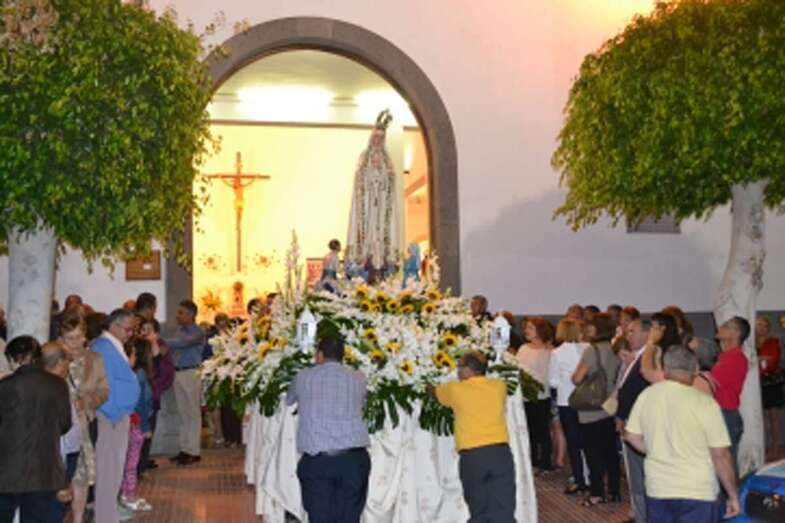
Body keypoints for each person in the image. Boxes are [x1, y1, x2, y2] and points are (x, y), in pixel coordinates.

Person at [624, 345, 740, 521]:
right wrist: (733, 495)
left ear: (664, 369)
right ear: (695, 369)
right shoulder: (705, 403)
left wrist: (656, 450)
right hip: (698, 490)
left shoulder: (647, 395)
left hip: (659, 488)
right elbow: (721, 455)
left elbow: (631, 436)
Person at [287, 337, 370, 523]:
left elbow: (289, 399)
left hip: (318, 461)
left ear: (320, 355)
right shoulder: (359, 377)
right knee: (350, 517)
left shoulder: (303, 376)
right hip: (353, 459)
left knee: (319, 517)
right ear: (343, 356)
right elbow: (362, 402)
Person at [433, 351, 516, 522]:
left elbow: (435, 393)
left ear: (469, 369)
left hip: (473, 456)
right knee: (504, 507)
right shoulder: (499, 385)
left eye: (459, 367)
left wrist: (428, 387)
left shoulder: (455, 389)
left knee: (478, 508)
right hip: (500, 453)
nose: (457, 371)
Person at [0, 336, 72, 523]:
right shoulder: (58, 384)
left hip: (6, 470)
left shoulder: (5, 386)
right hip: (44, 470)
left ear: (13, 359)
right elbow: (65, 424)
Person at [58, 314, 109, 523]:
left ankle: (78, 519)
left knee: (81, 476)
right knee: (60, 478)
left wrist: (88, 401)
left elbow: (104, 390)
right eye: (70, 338)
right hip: (59, 426)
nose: (75, 343)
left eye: (79, 337)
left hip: (84, 424)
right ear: (61, 339)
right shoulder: (55, 358)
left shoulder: (94, 359)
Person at [92, 309, 141, 523]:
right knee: (108, 470)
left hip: (119, 414)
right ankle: (104, 517)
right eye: (128, 329)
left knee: (114, 469)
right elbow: (105, 384)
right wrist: (113, 414)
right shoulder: (103, 347)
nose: (130, 333)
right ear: (115, 325)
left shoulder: (112, 344)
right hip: (112, 416)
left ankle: (108, 514)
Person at [572, 313, 621, 507]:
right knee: (610, 451)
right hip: (610, 405)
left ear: (598, 329)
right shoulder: (615, 348)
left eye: (590, 327)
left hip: (591, 408)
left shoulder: (591, 351)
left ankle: (597, 492)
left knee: (593, 453)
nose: (587, 330)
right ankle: (615, 491)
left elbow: (577, 378)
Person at [616, 318, 652, 523]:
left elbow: (636, 392)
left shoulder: (647, 358)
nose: (627, 336)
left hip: (640, 424)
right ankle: (640, 514)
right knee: (635, 475)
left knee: (641, 474)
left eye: (632, 331)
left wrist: (624, 415)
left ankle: (644, 516)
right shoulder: (636, 357)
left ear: (647, 334)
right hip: (630, 421)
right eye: (627, 332)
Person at [549, 318, 588, 494]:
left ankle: (579, 478)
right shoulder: (587, 348)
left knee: (573, 442)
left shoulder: (557, 353)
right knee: (588, 441)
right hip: (587, 400)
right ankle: (590, 476)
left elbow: (553, 381)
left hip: (567, 401)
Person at [166, 300, 205, 466]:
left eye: (181, 313)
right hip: (178, 372)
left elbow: (182, 344)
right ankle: (184, 449)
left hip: (191, 372)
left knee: (193, 413)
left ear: (191, 315)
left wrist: (160, 341)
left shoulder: (198, 332)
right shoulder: (179, 330)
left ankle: (194, 451)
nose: (178, 316)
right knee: (183, 413)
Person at [515, 317, 553, 472]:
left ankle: (545, 462)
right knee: (528, 430)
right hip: (525, 396)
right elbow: (517, 368)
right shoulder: (523, 349)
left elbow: (549, 375)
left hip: (542, 395)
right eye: (526, 328)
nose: (526, 331)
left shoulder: (549, 351)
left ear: (540, 330)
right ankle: (532, 461)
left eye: (530, 328)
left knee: (543, 430)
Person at [120, 338, 154, 513]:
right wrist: (146, 426)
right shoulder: (138, 375)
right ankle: (129, 495)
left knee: (126, 462)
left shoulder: (126, 374)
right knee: (132, 463)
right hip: (136, 425)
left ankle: (126, 494)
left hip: (127, 423)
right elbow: (142, 402)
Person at [711, 316, 750, 468]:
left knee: (725, 465)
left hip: (726, 416)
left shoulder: (735, 358)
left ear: (736, 334)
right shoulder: (725, 356)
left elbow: (711, 383)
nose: (721, 326)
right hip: (721, 414)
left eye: (727, 326)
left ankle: (731, 493)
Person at [138, 318, 174, 475]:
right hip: (137, 397)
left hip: (151, 396)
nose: (145, 333)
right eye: (142, 329)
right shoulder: (137, 347)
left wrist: (153, 343)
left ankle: (142, 464)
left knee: (148, 432)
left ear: (156, 333)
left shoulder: (160, 348)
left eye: (149, 330)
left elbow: (159, 365)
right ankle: (138, 465)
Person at [756, 315, 783, 459]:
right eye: (759, 325)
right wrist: (760, 359)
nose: (761, 328)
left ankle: (776, 447)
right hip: (755, 382)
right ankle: (762, 446)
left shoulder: (773, 341)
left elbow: (772, 361)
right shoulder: (750, 343)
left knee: (774, 417)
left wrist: (757, 359)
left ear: (768, 328)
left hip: (771, 382)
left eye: (764, 325)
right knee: (759, 417)